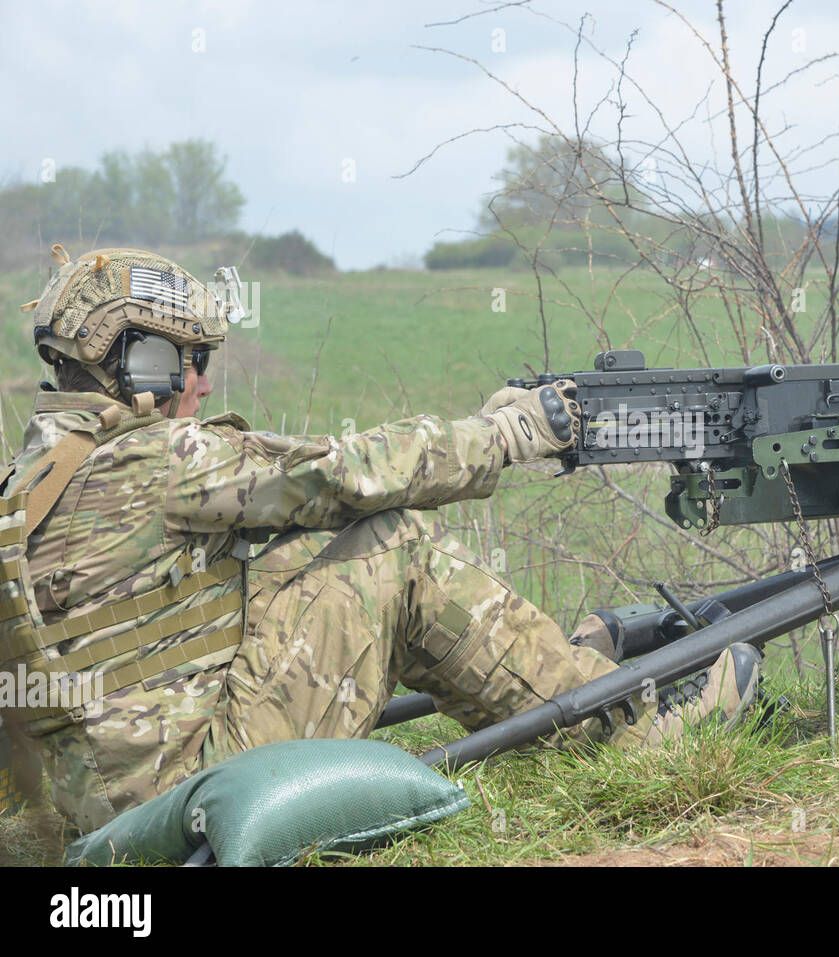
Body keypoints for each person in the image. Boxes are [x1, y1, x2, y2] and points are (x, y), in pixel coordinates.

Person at [0, 245, 760, 834]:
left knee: (299, 553)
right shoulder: (146, 461)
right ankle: (624, 735)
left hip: (93, 801)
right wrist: (512, 432)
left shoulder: (29, 481)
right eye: (188, 360)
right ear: (135, 358)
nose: (201, 384)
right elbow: (345, 473)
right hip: (184, 792)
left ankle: (549, 668)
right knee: (394, 546)